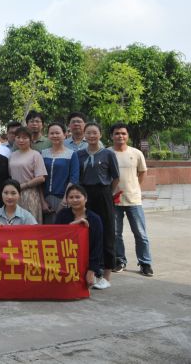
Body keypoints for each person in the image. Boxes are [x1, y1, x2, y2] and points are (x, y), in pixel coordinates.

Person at [77, 122, 119, 286]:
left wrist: (108, 193)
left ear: (100, 134)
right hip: (85, 195)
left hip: (103, 194)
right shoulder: (79, 154)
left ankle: (107, 276)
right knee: (89, 232)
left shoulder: (108, 154)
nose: (91, 136)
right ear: (84, 135)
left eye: (95, 132)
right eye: (88, 133)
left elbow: (115, 177)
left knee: (108, 232)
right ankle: (92, 271)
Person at [110, 122, 153, 276]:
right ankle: (119, 260)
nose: (120, 136)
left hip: (134, 200)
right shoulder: (107, 153)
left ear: (127, 135)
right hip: (113, 200)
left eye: (123, 133)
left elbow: (142, 172)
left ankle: (145, 263)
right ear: (111, 136)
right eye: (117, 133)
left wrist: (135, 187)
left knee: (140, 233)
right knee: (115, 234)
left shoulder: (136, 153)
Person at [55, 184, 106, 289]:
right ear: (67, 200)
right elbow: (56, 237)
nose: (74, 200)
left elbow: (97, 246)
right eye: (71, 197)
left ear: (85, 198)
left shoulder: (95, 219)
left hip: (86, 261)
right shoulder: (62, 215)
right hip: (65, 259)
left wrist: (92, 270)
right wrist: (72, 226)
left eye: (78, 197)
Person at [41, 122, 80, 223]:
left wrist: (65, 200)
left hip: (63, 197)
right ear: (48, 135)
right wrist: (42, 201)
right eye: (51, 133)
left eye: (57, 133)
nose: (54, 136)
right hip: (45, 199)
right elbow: (40, 178)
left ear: (64, 134)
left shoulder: (71, 154)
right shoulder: (43, 153)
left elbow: (74, 178)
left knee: (62, 227)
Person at [8, 126, 47, 224]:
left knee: (30, 223)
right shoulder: (12, 155)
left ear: (30, 139)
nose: (21, 140)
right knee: (15, 223)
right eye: (18, 137)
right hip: (14, 194)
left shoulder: (35, 155)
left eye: (25, 138)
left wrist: (24, 185)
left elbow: (41, 178)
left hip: (30, 194)